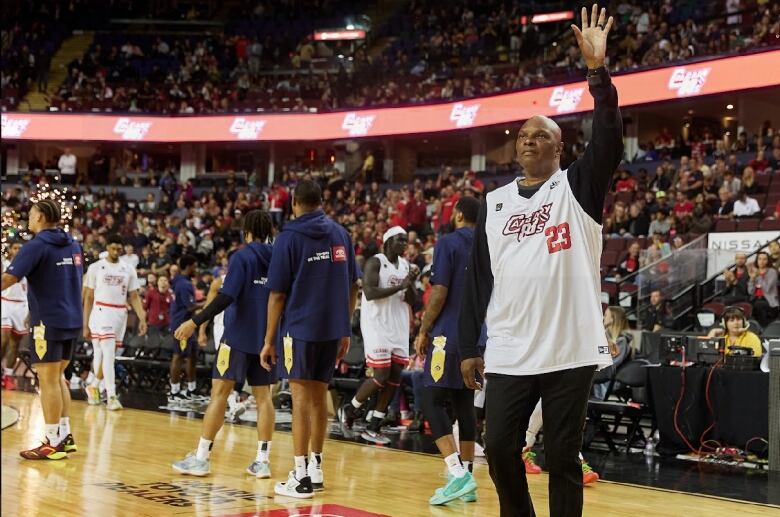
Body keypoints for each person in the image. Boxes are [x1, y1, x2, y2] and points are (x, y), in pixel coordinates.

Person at [458, 6, 621, 516]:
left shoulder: (577, 186)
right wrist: (469, 345)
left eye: (541, 135)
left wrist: (598, 76)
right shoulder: (493, 203)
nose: (529, 139)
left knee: (562, 456)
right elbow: (477, 281)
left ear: (560, 146)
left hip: (570, 347)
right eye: (523, 135)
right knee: (502, 449)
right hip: (509, 347)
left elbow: (611, 140)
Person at [261, 180, 360, 499]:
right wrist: (344, 327)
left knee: (301, 402)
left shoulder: (288, 237)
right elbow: (353, 287)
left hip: (301, 329)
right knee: (320, 400)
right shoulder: (341, 233)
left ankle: (301, 475)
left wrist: (268, 339)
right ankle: (316, 467)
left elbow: (277, 294)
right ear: (321, 201)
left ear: (294, 203)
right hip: (332, 329)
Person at [171, 210, 276, 478]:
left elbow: (226, 295)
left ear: (246, 231)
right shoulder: (277, 257)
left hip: (237, 336)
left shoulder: (241, 256)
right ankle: (262, 461)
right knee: (264, 399)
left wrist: (196, 321)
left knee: (219, 393)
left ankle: (202, 457)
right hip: (266, 339)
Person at [2, 199, 83, 459]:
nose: (28, 217)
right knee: (58, 378)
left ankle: (51, 442)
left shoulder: (36, 246)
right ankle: (64, 435)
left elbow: (9, 278)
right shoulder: (73, 243)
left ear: (40, 217)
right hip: (72, 318)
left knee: (47, 381)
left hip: (47, 321)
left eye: (31, 213)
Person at [413, 196, 481, 505]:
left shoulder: (449, 243)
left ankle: (456, 473)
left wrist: (424, 329)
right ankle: (468, 477)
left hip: (447, 335)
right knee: (464, 402)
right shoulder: (488, 244)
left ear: (456, 216)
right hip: (478, 336)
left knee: (431, 399)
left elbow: (439, 291)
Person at [339, 225, 418, 445]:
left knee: (394, 379)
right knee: (381, 375)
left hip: (399, 326)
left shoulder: (405, 265)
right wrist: (400, 285)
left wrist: (409, 282)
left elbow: (413, 300)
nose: (404, 244)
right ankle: (350, 409)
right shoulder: (376, 261)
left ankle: (374, 425)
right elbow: (371, 293)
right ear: (388, 242)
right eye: (400, 240)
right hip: (377, 325)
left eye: (406, 240)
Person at [83, 234, 148, 410]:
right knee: (108, 355)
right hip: (101, 311)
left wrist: (142, 318)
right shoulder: (96, 267)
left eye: (119, 247)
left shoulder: (128, 269)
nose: (116, 250)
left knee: (105, 355)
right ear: (108, 246)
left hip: (120, 313)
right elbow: (88, 297)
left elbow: (134, 296)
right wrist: (85, 322)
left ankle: (94, 385)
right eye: (113, 246)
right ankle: (111, 395)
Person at [168, 254, 203, 403]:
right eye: (194, 266)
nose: (196, 269)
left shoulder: (183, 282)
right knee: (178, 356)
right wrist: (210, 303)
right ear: (188, 267)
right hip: (181, 325)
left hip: (188, 323)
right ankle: (174, 391)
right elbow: (190, 306)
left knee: (192, 355)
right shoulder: (183, 284)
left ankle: (191, 389)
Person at [1, 240, 29, 390]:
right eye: (15, 247)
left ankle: (8, 375)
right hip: (5, 302)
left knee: (14, 344)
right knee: (3, 339)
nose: (18, 250)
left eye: (20, 248)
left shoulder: (28, 267)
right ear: (10, 250)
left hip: (21, 306)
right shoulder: (4, 264)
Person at [594, 306, 632, 400]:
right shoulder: (604, 336)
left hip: (609, 381)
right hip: (599, 378)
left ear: (613, 319)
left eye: (606, 315)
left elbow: (608, 363)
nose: (603, 317)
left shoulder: (621, 341)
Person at [748, 251, 779, 327]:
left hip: (768, 299)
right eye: (760, 259)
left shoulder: (772, 272)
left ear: (768, 261)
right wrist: (752, 278)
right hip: (755, 298)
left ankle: (763, 329)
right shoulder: (754, 272)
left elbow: (767, 289)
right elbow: (750, 292)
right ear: (757, 260)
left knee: (759, 305)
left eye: (764, 259)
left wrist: (760, 276)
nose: (761, 261)